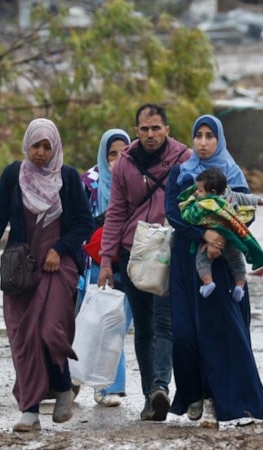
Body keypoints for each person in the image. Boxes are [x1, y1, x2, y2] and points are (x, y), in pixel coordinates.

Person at [0, 118, 93, 432]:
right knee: (24, 338)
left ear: (55, 147)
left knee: (50, 330)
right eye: (35, 146)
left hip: (58, 266)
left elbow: (84, 224)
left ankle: (63, 386)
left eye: (46, 146)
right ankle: (30, 410)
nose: (40, 152)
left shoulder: (67, 177)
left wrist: (60, 249)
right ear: (27, 145)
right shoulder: (14, 175)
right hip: (21, 270)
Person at [165, 114, 263, 428]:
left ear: (219, 139)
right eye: (199, 135)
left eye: (210, 136)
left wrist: (221, 237)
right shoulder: (181, 173)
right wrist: (203, 235)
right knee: (184, 334)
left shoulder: (232, 173)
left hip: (223, 263)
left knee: (225, 334)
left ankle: (239, 406)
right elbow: (173, 214)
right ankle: (193, 393)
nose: (204, 142)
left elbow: (245, 213)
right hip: (188, 263)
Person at [97, 104, 192, 421]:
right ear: (136, 130)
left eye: (156, 128)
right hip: (132, 253)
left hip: (170, 252)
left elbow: (195, 205)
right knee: (143, 327)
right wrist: (106, 262)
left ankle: (160, 387)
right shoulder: (125, 163)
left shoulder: (184, 159)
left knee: (164, 323)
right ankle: (152, 395)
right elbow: (115, 213)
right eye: (145, 129)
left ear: (167, 129)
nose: (151, 134)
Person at [76, 128, 134, 407]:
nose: (117, 159)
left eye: (123, 153)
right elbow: (77, 220)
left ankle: (106, 383)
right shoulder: (89, 182)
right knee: (100, 324)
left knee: (118, 326)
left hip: (133, 264)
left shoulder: (138, 179)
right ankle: (100, 384)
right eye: (112, 154)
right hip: (98, 264)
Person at [178, 167, 263, 301]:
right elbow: (246, 198)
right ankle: (239, 286)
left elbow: (189, 217)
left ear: (213, 192)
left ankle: (208, 283)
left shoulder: (204, 204)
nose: (196, 192)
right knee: (238, 263)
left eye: (200, 190)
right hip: (231, 239)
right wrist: (258, 200)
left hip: (208, 241)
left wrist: (187, 206)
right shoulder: (231, 195)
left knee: (202, 261)